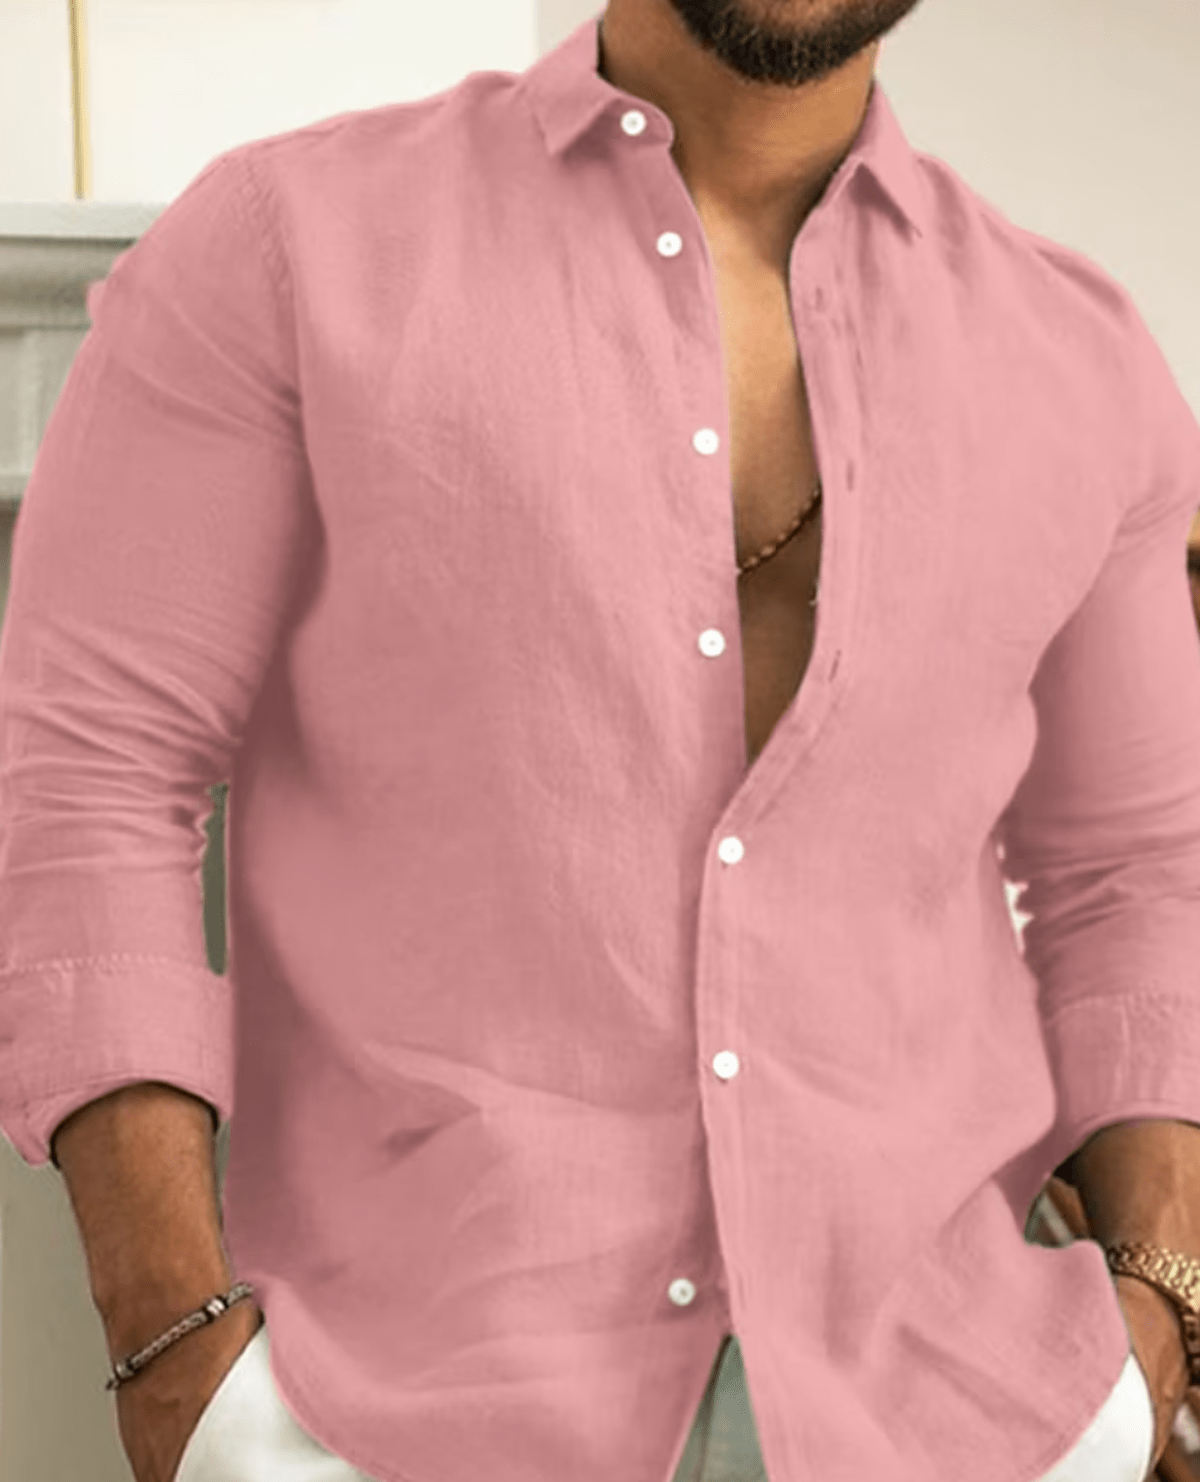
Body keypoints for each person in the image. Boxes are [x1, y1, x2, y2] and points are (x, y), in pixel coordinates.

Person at [0, 1, 1198, 1479]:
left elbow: (1138, 876)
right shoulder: (282, 249)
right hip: (390, 1417)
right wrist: (171, 1347)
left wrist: (1162, 1303)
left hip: (967, 1416)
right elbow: (96, 777)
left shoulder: (1084, 360)